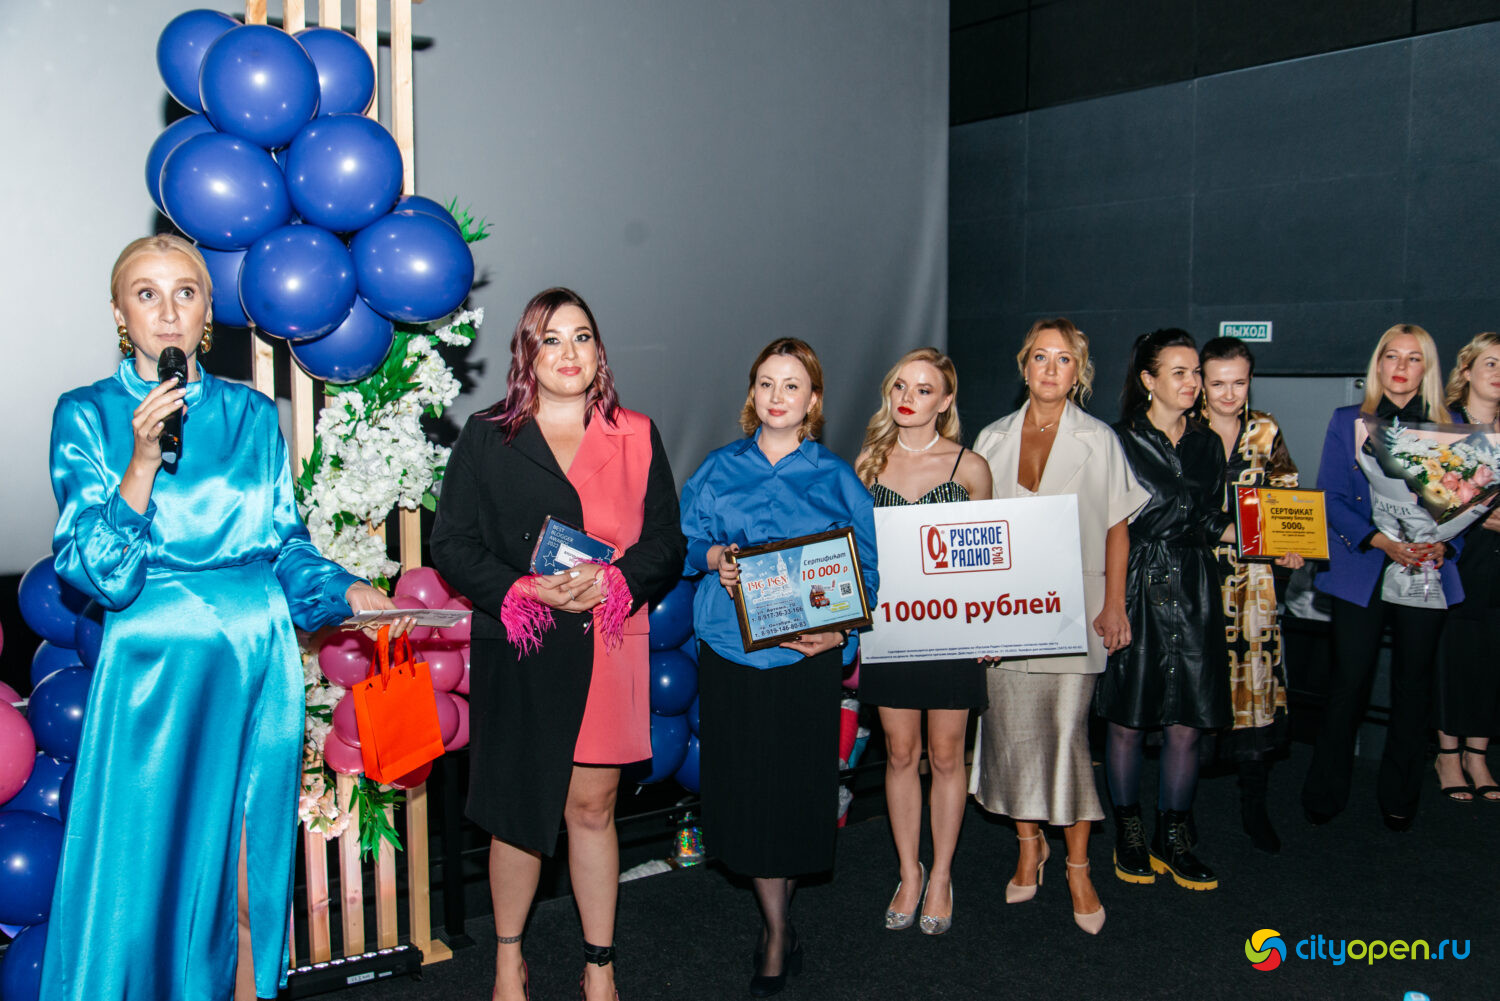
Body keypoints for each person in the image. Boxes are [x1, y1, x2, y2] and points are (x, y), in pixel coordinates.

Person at [43, 234, 401, 1001]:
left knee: (248, 880)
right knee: (142, 888)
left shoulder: (251, 414)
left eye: (186, 292)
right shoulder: (86, 415)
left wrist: (346, 592)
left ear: (208, 312)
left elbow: (284, 544)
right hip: (151, 678)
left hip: (256, 665)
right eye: (146, 293)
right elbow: (98, 572)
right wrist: (142, 460)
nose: (168, 311)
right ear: (119, 313)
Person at [430, 288, 684, 1001]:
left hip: (607, 639)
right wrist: (522, 589)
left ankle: (600, 963)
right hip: (523, 642)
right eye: (551, 339)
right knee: (517, 814)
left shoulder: (637, 433)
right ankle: (508, 960)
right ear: (527, 354)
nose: (568, 352)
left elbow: (667, 541)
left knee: (592, 809)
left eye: (581, 337)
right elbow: (450, 542)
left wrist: (617, 579)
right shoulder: (488, 435)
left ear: (599, 351)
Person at [680, 338, 878, 997]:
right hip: (732, 654)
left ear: (813, 400)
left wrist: (840, 629)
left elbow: (868, 572)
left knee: (795, 792)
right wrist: (715, 559)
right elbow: (683, 542)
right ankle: (777, 927)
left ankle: (776, 927)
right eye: (766, 382)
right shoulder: (717, 468)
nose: (777, 396)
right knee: (746, 789)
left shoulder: (837, 477)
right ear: (751, 392)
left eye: (792, 385)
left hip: (805, 659)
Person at [971, 319, 1147, 934]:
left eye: (1063, 359)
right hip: (1005, 614)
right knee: (1011, 737)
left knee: (1068, 736)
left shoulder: (1100, 440)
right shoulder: (991, 438)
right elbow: (973, 537)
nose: (1050, 368)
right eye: (1040, 357)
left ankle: (1077, 865)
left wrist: (1115, 604)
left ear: (1079, 372)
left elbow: (1118, 528)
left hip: (1077, 609)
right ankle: (1029, 847)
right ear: (1024, 366)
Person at [852, 347, 991, 936]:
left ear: (946, 401)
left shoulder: (971, 467)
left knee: (946, 754)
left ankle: (942, 877)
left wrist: (992, 626)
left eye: (924, 389)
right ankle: (909, 872)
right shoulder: (867, 463)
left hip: (952, 630)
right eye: (901, 386)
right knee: (901, 753)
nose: (908, 398)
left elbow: (988, 560)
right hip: (890, 628)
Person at [1300, 323, 1458, 832]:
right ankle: (1325, 791)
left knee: (1413, 688)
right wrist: (1379, 540)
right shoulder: (1347, 420)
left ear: (1426, 368)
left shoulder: (1453, 426)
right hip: (1363, 564)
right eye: (1392, 356)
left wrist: (1445, 543)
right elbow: (1330, 497)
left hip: (1427, 568)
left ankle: (1400, 796)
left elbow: (1466, 504)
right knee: (1348, 684)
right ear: (1378, 364)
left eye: (1413, 358)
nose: (1401, 367)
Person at [1097, 329, 1231, 892]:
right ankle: (1128, 833)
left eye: (1196, 371)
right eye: (1179, 372)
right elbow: (1110, 523)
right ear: (1148, 380)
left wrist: (1269, 538)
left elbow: (1211, 519)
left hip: (1195, 585)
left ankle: (1172, 836)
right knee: (1128, 718)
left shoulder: (1208, 444)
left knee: (1188, 722)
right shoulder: (1118, 440)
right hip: (1137, 583)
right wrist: (1112, 603)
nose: (1193, 382)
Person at [1198, 337, 1304, 853]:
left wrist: (1291, 546)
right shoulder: (1184, 428)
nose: (1228, 393)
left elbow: (1286, 494)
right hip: (1197, 574)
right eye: (1218, 383)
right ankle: (1179, 811)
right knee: (1197, 689)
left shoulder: (1265, 429)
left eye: (1238, 382)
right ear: (1201, 382)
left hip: (1254, 583)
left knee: (1255, 688)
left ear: (1250, 381)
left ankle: (1254, 806)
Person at [1433, 332, 1500, 802]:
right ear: (1467, 371)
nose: (1498, 373)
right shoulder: (1445, 427)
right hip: (1458, 558)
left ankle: (1478, 755)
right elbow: (1437, 501)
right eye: (1490, 363)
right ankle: (1447, 755)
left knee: (1493, 658)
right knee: (1453, 656)